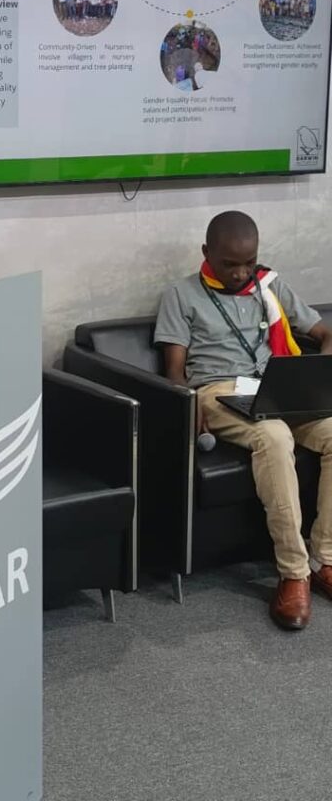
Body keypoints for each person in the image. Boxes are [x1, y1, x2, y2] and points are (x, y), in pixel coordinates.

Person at [155, 211, 332, 631]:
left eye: (248, 263)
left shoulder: (269, 285)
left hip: (276, 387)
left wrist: (318, 376)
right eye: (229, 264)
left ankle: (324, 558)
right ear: (206, 252)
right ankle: (293, 572)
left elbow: (325, 332)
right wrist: (186, 403)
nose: (240, 273)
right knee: (273, 436)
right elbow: (174, 371)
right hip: (218, 390)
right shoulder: (180, 295)